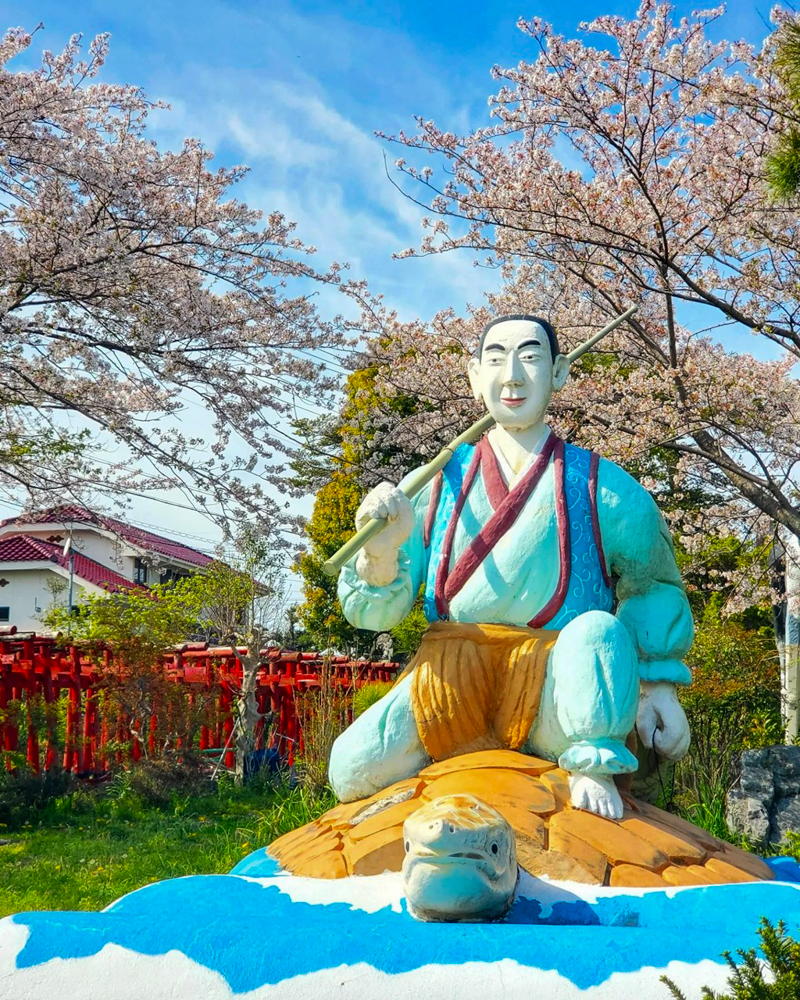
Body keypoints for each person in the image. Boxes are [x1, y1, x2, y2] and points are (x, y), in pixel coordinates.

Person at [330, 315, 692, 819]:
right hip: (451, 674)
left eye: (530, 356)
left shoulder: (601, 487)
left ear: (559, 372)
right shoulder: (432, 485)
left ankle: (593, 767)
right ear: (475, 375)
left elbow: (654, 587)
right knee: (351, 768)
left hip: (556, 682)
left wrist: (656, 685)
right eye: (497, 359)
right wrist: (381, 551)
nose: (513, 376)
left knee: (596, 630)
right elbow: (374, 616)